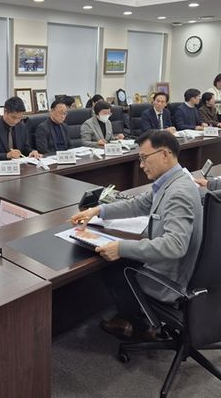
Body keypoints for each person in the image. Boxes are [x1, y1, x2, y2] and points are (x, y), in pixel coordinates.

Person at [70, 131, 203, 339]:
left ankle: (140, 327)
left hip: (171, 277)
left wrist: (121, 248)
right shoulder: (172, 181)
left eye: (144, 158)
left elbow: (175, 245)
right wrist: (97, 211)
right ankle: (134, 316)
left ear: (165, 154)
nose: (141, 165)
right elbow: (139, 204)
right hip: (177, 266)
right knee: (121, 256)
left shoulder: (178, 192)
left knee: (114, 267)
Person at [0, 96, 41, 161]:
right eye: (13, 117)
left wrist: (32, 151)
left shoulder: (22, 127)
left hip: (19, 164)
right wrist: (7, 155)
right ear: (5, 111)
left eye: (19, 118)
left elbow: (25, 148)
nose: (16, 121)